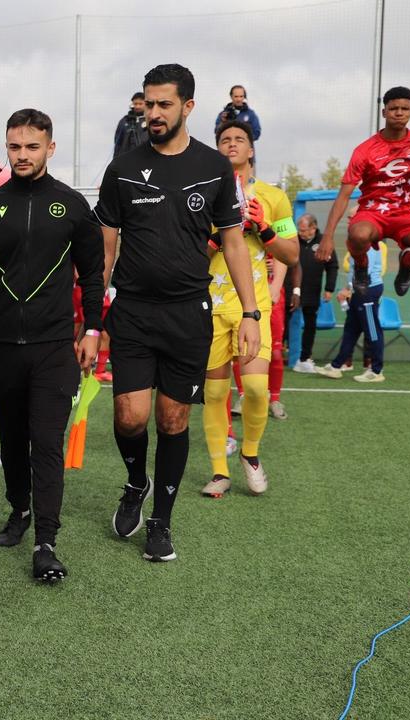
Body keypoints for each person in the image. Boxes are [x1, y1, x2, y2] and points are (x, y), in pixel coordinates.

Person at [95, 64, 259, 562]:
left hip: (189, 313)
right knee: (130, 417)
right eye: (149, 103)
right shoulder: (122, 168)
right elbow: (105, 249)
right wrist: (91, 318)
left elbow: (234, 243)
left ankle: (161, 522)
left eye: (165, 104)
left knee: (171, 419)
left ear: (188, 106)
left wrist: (251, 313)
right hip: (133, 311)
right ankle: (135, 483)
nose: (154, 113)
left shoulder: (214, 167)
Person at [0, 108, 104, 582]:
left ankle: (46, 541)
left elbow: (93, 275)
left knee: (46, 443)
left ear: (50, 148)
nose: (23, 155)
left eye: (32, 147)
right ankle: (20, 509)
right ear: (6, 148)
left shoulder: (73, 206)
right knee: (11, 439)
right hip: (2, 347)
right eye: (15, 147)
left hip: (54, 347)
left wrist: (93, 329)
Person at [201, 121, 298, 499]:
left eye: (239, 139)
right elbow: (191, 255)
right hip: (210, 307)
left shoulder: (274, 196)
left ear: (251, 149)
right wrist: (222, 232)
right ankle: (219, 471)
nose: (231, 144)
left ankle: (250, 454)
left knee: (256, 389)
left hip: (252, 309)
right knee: (214, 394)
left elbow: (291, 254)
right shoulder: (203, 195)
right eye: (224, 140)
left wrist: (263, 227)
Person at [316, 86, 410, 296]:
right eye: (394, 108)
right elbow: (343, 196)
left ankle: (406, 263)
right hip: (372, 213)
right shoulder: (364, 150)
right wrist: (327, 237)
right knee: (358, 234)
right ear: (384, 112)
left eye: (404, 109)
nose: (399, 113)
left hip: (406, 213)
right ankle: (361, 267)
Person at [317, 242, 388, 382]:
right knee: (351, 329)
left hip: (368, 290)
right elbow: (354, 271)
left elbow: (365, 272)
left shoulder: (370, 245)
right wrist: (349, 288)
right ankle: (336, 366)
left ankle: (376, 371)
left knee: (372, 331)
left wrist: (347, 289)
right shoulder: (358, 243)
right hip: (358, 291)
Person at [293, 213, 338, 373]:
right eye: (299, 230)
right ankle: (278, 354)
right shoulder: (293, 240)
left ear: (313, 228)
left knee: (310, 325)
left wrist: (329, 288)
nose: (301, 233)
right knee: (285, 322)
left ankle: (305, 358)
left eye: (304, 230)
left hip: (312, 291)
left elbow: (332, 266)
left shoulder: (323, 242)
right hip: (292, 290)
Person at [112, 92, 148, 158]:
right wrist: (115, 160)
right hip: (126, 158)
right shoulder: (124, 121)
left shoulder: (151, 120)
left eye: (140, 104)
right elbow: (118, 143)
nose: (137, 106)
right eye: (135, 104)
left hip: (146, 158)